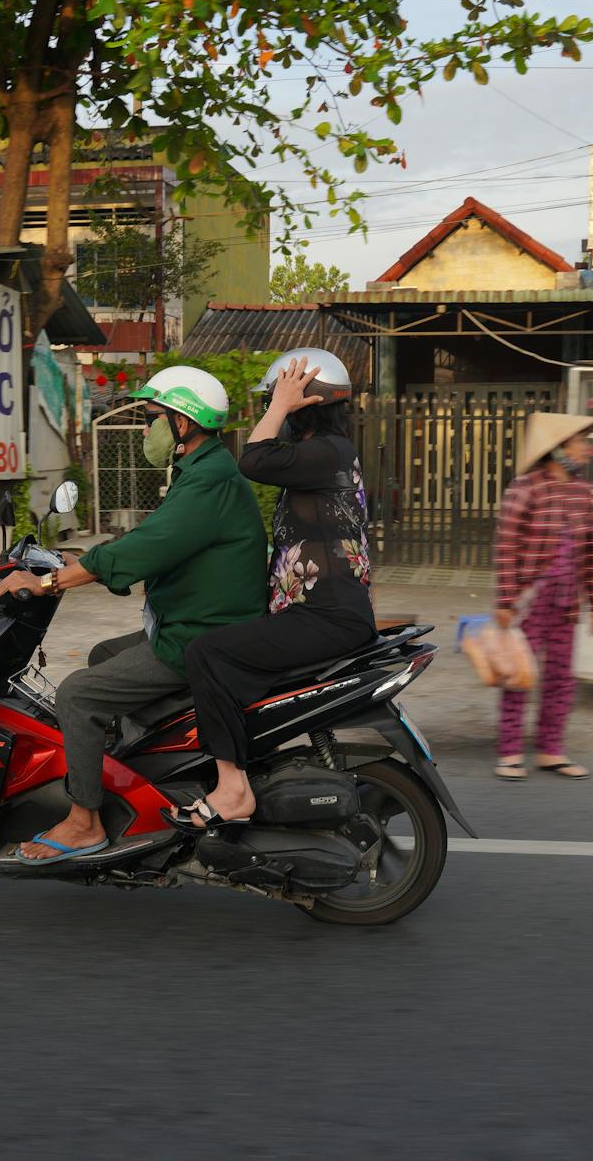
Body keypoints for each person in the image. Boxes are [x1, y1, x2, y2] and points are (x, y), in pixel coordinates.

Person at [0, 364, 268, 863]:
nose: (145, 428)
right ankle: (143, 774)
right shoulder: (202, 473)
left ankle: (84, 822)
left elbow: (151, 547)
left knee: (76, 695)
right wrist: (85, 564)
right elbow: (154, 542)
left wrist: (49, 581)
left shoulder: (209, 481)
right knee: (101, 653)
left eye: (151, 417)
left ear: (184, 423)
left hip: (197, 639)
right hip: (194, 625)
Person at [171, 350, 377, 830]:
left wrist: (280, 404)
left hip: (325, 617)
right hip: (317, 613)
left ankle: (232, 789)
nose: (273, 407)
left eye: (279, 398)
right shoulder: (323, 455)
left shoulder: (327, 451)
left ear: (306, 403)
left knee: (206, 654)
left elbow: (254, 459)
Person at [492, 412, 593, 782]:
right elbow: (506, 547)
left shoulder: (584, 492)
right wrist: (505, 601)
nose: (587, 449)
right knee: (520, 675)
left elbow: (590, 552)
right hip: (527, 604)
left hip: (566, 604)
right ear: (559, 450)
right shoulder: (525, 489)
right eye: (580, 442)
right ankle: (510, 752)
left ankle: (550, 749)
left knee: (560, 677)